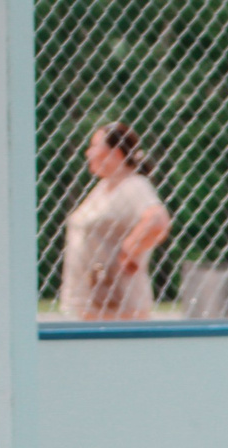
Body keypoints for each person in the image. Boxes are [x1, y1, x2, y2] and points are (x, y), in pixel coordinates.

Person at [59, 122, 170, 321]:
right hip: (91, 300)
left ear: (116, 152)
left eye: (94, 146)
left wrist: (128, 252)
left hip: (118, 302)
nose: (88, 153)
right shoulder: (104, 187)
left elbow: (157, 220)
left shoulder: (133, 185)